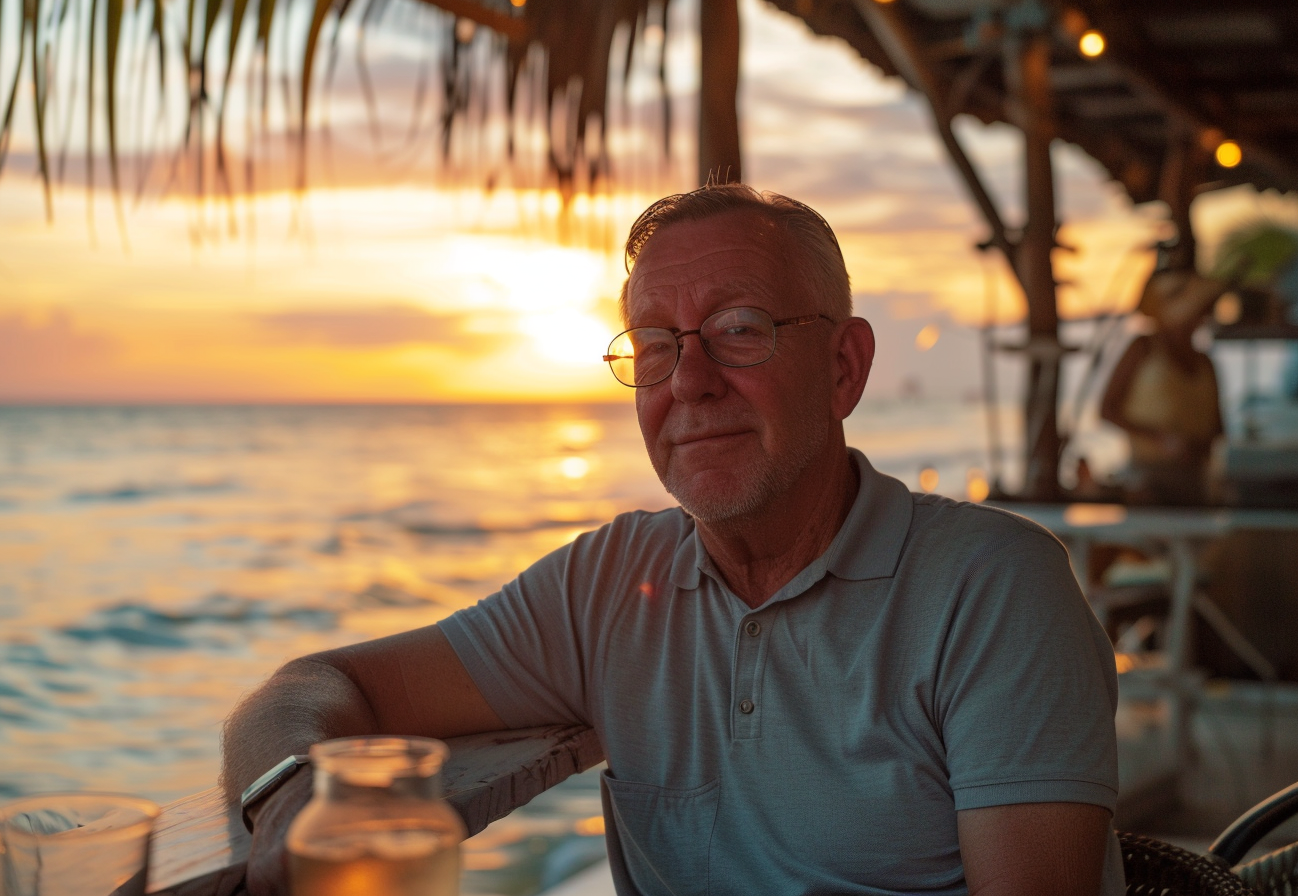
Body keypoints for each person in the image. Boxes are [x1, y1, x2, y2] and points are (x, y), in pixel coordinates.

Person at [222, 184, 1122, 896]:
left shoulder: (993, 589)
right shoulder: (609, 586)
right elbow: (312, 687)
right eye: (656, 344)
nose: (690, 381)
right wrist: (294, 798)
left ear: (843, 366)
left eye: (740, 330)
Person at [1100, 253, 1228, 505]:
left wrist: (1196, 449)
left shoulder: (1205, 362)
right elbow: (1107, 409)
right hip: (1148, 479)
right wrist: (1161, 440)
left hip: (1196, 478)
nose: (1203, 316)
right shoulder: (1143, 348)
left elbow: (1217, 427)